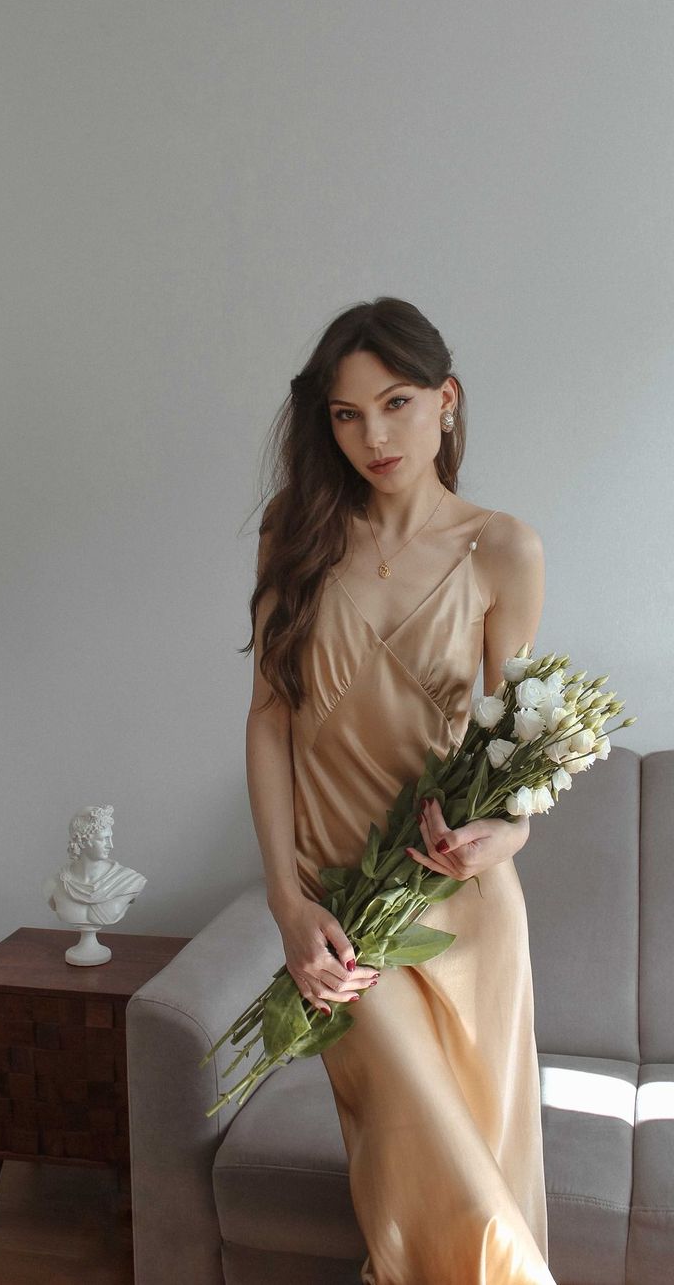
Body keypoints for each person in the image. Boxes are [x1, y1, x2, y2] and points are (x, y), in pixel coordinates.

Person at [243, 297, 555, 1283]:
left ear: (445, 401)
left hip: (464, 910)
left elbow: (518, 760)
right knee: (430, 1193)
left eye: (396, 402)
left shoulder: (502, 549)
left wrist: (501, 839)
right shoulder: (295, 534)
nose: (372, 434)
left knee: (477, 1180)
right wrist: (287, 904)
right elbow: (267, 719)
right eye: (344, 414)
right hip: (345, 916)